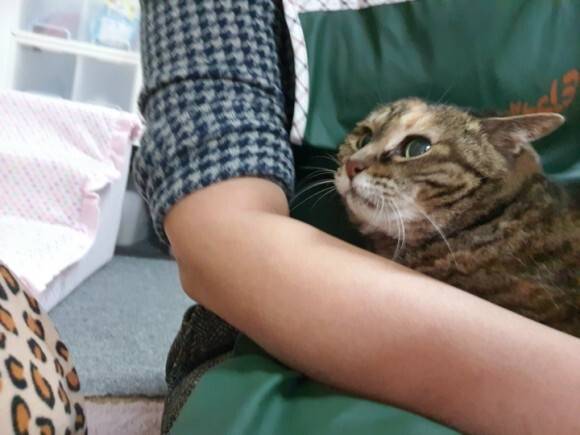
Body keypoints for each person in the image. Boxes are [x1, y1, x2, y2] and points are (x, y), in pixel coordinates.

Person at [133, 1, 580, 434]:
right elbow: (222, 241)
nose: (358, 162)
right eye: (363, 138)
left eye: (415, 147)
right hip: (274, 336)